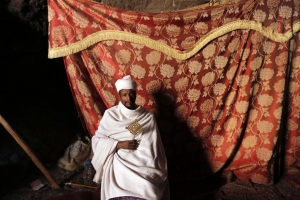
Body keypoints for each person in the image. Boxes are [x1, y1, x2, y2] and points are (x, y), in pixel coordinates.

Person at [91, 75, 169, 200]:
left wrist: (141, 156)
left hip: (142, 159)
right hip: (119, 157)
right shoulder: (111, 115)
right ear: (119, 96)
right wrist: (118, 144)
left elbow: (152, 145)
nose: (128, 98)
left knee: (148, 188)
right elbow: (97, 140)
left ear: (136, 94)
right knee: (119, 173)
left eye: (131, 94)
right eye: (124, 95)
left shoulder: (147, 117)